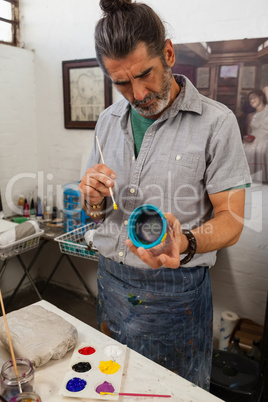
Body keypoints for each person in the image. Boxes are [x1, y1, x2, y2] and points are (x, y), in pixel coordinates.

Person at [78, 0, 251, 390]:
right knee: (111, 388)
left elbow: (231, 219)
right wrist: (91, 198)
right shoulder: (107, 122)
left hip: (176, 293)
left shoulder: (217, 123)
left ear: (168, 53)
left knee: (173, 392)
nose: (137, 93)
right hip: (110, 280)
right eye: (121, 82)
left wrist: (186, 239)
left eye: (145, 75)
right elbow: (97, 215)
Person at [243, 89, 268, 182]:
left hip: (266, 138)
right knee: (246, 149)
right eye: (250, 99)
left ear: (261, 97)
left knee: (263, 147)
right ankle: (251, 180)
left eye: (254, 98)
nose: (252, 101)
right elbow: (249, 132)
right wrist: (247, 138)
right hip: (254, 140)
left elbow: (266, 89)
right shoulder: (251, 116)